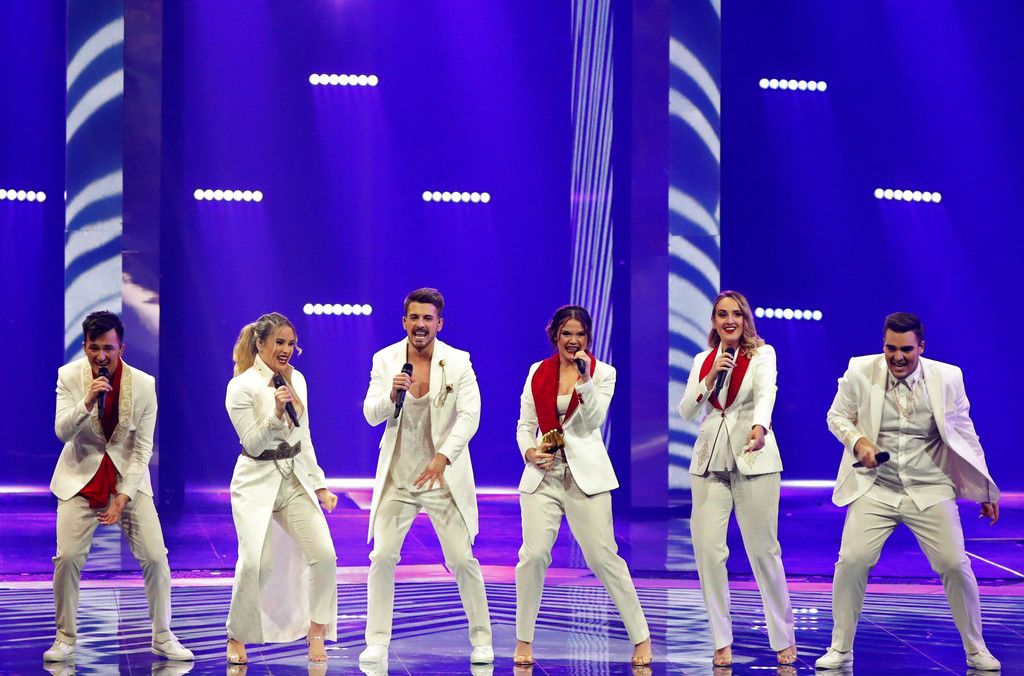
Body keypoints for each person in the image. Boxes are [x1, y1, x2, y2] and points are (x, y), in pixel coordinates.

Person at [815, 312, 1001, 671]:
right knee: (852, 560)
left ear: (921, 347)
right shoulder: (860, 370)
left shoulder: (947, 377)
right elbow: (836, 416)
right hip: (877, 487)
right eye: (890, 348)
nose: (897, 357)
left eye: (906, 350)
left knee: (954, 563)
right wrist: (859, 441)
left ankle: (976, 649)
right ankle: (840, 648)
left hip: (930, 486)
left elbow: (964, 433)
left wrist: (985, 488)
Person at [46, 310, 193, 662]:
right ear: (85, 347)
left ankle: (163, 635)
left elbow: (142, 449)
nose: (101, 356)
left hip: (128, 478)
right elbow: (62, 432)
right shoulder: (69, 376)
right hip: (80, 476)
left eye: (108, 348)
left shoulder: (144, 384)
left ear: (121, 348)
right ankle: (65, 637)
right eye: (94, 348)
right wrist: (86, 401)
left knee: (155, 557)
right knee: (68, 558)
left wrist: (123, 496)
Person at [360, 288, 493, 666]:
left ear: (439, 323)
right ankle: (377, 641)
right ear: (405, 321)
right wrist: (391, 395)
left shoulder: (458, 361)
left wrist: (443, 457)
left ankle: (482, 640)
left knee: (461, 559)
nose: (421, 325)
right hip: (399, 478)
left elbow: (470, 416)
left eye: (428, 318)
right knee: (382, 556)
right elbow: (371, 414)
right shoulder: (385, 360)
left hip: (441, 478)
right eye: (414, 318)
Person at [514, 304, 652, 667]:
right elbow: (525, 424)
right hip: (544, 474)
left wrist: (585, 380)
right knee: (533, 556)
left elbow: (593, 421)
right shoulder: (538, 372)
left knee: (602, 558)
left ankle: (641, 636)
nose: (573, 341)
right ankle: (524, 640)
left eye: (580, 334)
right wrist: (530, 452)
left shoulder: (603, 373)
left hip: (585, 476)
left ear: (588, 338)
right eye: (566, 334)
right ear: (555, 336)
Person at [678, 291, 797, 667]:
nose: (729, 320)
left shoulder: (763, 353)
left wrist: (760, 427)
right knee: (709, 553)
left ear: (745, 319)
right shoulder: (703, 360)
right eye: (722, 314)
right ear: (714, 321)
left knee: (763, 551)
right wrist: (710, 376)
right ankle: (721, 640)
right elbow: (686, 411)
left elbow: (765, 394)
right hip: (709, 462)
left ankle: (783, 637)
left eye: (736, 314)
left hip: (753, 457)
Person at [224, 312, 339, 665]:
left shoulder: (297, 379)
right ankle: (237, 635)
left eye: (291, 343)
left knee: (325, 556)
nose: (286, 349)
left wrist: (320, 485)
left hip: (293, 478)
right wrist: (275, 413)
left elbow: (303, 436)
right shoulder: (241, 386)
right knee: (255, 565)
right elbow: (253, 443)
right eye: (279, 342)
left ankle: (316, 631)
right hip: (255, 482)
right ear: (260, 344)